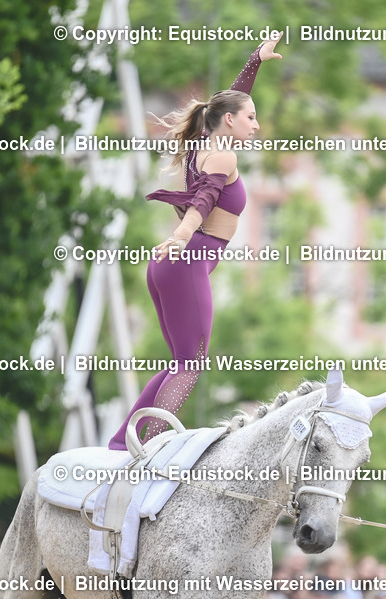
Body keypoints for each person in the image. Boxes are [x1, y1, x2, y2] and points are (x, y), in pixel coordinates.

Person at [108, 34, 283, 449]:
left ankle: (121, 443)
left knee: (180, 363)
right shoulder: (223, 156)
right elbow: (204, 200)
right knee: (190, 365)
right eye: (252, 118)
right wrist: (183, 235)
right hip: (187, 258)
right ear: (229, 122)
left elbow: (232, 98)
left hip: (174, 264)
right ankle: (144, 450)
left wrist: (255, 61)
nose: (256, 125)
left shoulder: (204, 145)